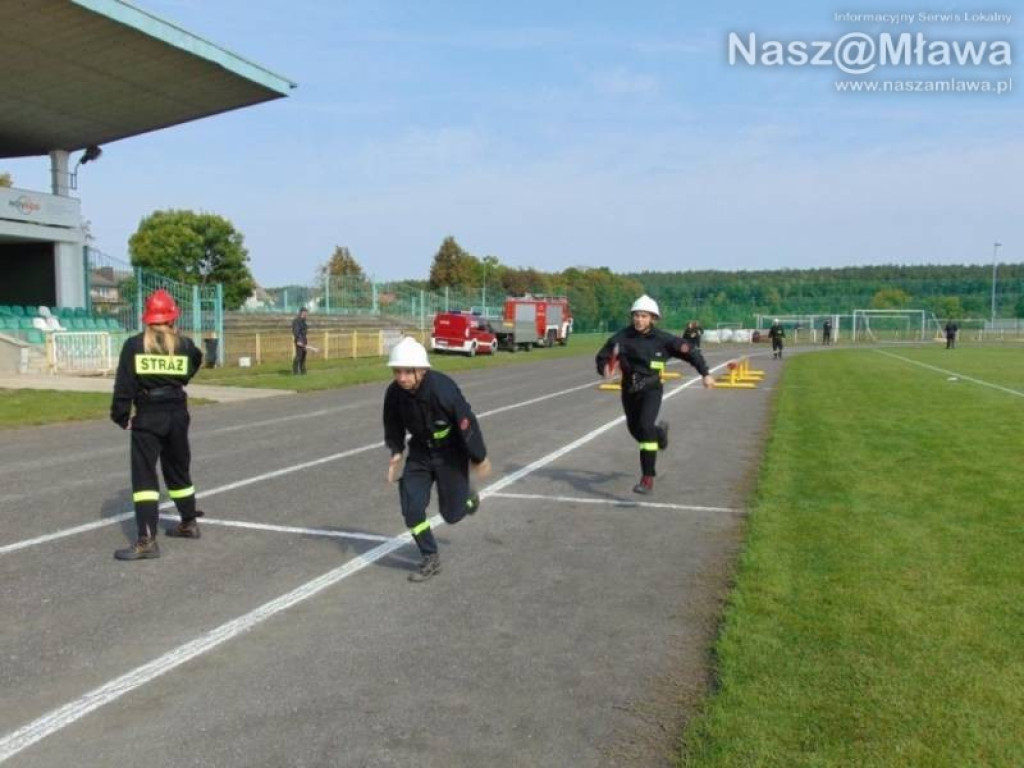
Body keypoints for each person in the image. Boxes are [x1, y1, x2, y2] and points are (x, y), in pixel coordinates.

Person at [383, 337, 492, 582]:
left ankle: (467, 498)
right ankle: (429, 556)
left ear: (421, 370)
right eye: (397, 371)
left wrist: (479, 456)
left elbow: (466, 423)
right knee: (412, 509)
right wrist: (396, 450)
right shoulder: (394, 393)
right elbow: (392, 423)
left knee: (452, 515)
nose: (401, 377)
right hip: (420, 453)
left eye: (407, 371)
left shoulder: (443, 390)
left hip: (450, 454)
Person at [110, 289, 204, 560]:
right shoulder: (185, 345)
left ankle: (147, 540)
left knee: (144, 477)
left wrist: (121, 416)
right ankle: (188, 522)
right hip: (177, 413)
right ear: (173, 317)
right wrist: (179, 379)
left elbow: (124, 385)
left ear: (148, 318)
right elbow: (196, 360)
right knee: (178, 470)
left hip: (149, 414)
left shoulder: (135, 345)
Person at [595, 295, 715, 496]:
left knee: (644, 427)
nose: (639, 320)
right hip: (629, 390)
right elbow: (603, 357)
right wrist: (605, 368)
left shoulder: (663, 339)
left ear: (653, 318)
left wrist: (705, 374)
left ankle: (647, 478)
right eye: (636, 316)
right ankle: (659, 434)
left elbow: (691, 352)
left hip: (651, 390)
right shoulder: (621, 338)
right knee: (637, 431)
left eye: (644, 316)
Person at [292, 307, 309, 375]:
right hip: (299, 340)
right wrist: (299, 340)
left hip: (304, 339)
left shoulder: (304, 321)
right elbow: (296, 331)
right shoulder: (296, 321)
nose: (306, 314)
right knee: (299, 355)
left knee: (304, 355)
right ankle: (295, 371)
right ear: (302, 312)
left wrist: (304, 340)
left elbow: (304, 331)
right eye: (305, 313)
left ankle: (303, 370)